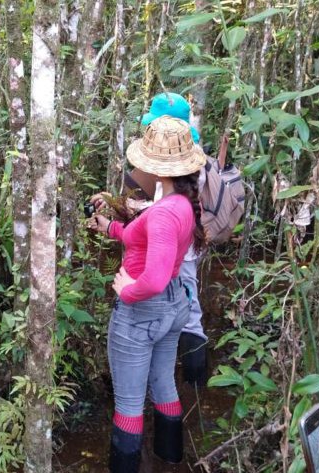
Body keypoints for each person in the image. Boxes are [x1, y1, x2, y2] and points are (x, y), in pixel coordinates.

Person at [88, 116, 206, 470]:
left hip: (143, 312)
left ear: (158, 172)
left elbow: (152, 278)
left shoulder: (163, 214)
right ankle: (170, 460)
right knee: (163, 384)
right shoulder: (181, 204)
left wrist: (128, 291)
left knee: (128, 402)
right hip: (172, 306)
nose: (135, 170)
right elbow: (142, 237)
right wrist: (109, 227)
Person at [93, 92, 210, 386]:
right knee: (187, 310)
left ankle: (195, 386)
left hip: (169, 260)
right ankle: (190, 391)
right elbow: (157, 207)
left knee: (187, 310)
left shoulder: (178, 173)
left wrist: (128, 291)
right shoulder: (185, 165)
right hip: (179, 250)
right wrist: (112, 208)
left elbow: (160, 216)